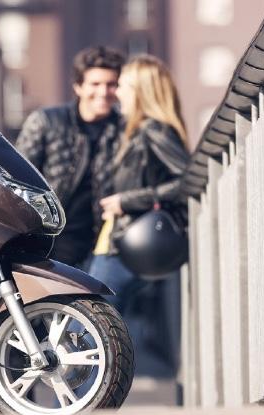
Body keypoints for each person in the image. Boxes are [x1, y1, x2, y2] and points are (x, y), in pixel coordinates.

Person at [89, 54, 190, 311]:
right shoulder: (134, 131)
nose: (117, 93)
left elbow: (187, 181)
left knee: (90, 324)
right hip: (119, 239)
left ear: (140, 91)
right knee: (97, 322)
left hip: (131, 241)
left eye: (122, 86)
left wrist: (127, 201)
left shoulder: (154, 130)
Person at [15, 46, 125, 267]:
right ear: (78, 86)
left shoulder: (125, 130)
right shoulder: (46, 122)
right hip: (48, 241)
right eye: (95, 84)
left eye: (111, 84)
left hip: (102, 246)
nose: (104, 92)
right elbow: (17, 179)